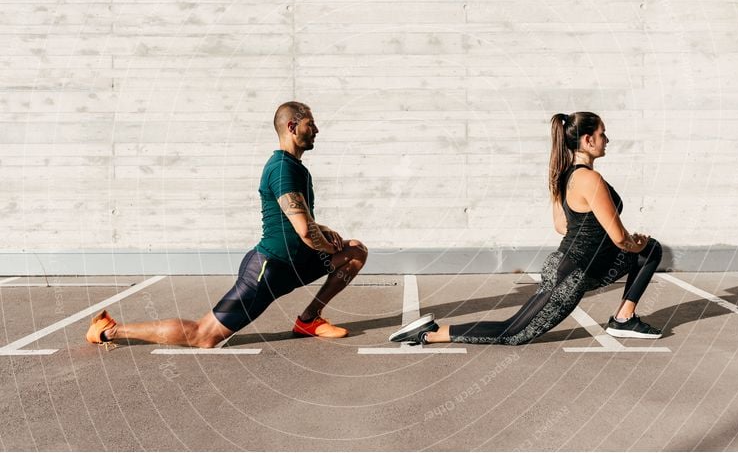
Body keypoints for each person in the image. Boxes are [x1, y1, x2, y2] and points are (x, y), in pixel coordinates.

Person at [86, 101, 368, 348]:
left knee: (355, 252)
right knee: (203, 336)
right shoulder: (282, 168)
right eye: (311, 124)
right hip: (270, 270)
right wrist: (324, 244)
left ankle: (308, 320)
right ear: (293, 126)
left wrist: (325, 231)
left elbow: (300, 219)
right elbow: (304, 231)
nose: (316, 129)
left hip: (296, 263)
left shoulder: (294, 167)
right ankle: (110, 330)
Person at [390, 111, 663, 345]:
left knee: (651, 250)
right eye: (603, 134)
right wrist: (633, 242)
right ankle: (431, 333)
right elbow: (619, 238)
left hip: (579, 267)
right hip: (570, 276)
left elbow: (562, 226)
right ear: (588, 140)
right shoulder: (589, 179)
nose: (607, 140)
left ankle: (623, 319)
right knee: (514, 333)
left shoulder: (566, 174)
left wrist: (627, 243)